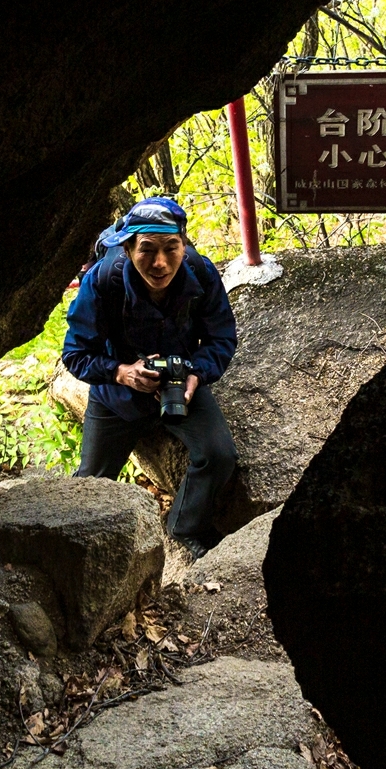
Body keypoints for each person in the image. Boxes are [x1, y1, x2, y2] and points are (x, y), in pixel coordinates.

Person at [61, 197, 238, 555]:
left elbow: (222, 337)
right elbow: (75, 353)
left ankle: (185, 526)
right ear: (127, 249)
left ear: (183, 245)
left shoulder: (200, 273)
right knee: (90, 486)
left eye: (171, 248)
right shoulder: (103, 281)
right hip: (117, 396)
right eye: (147, 250)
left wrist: (195, 375)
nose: (160, 262)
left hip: (178, 383)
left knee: (220, 455)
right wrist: (121, 372)